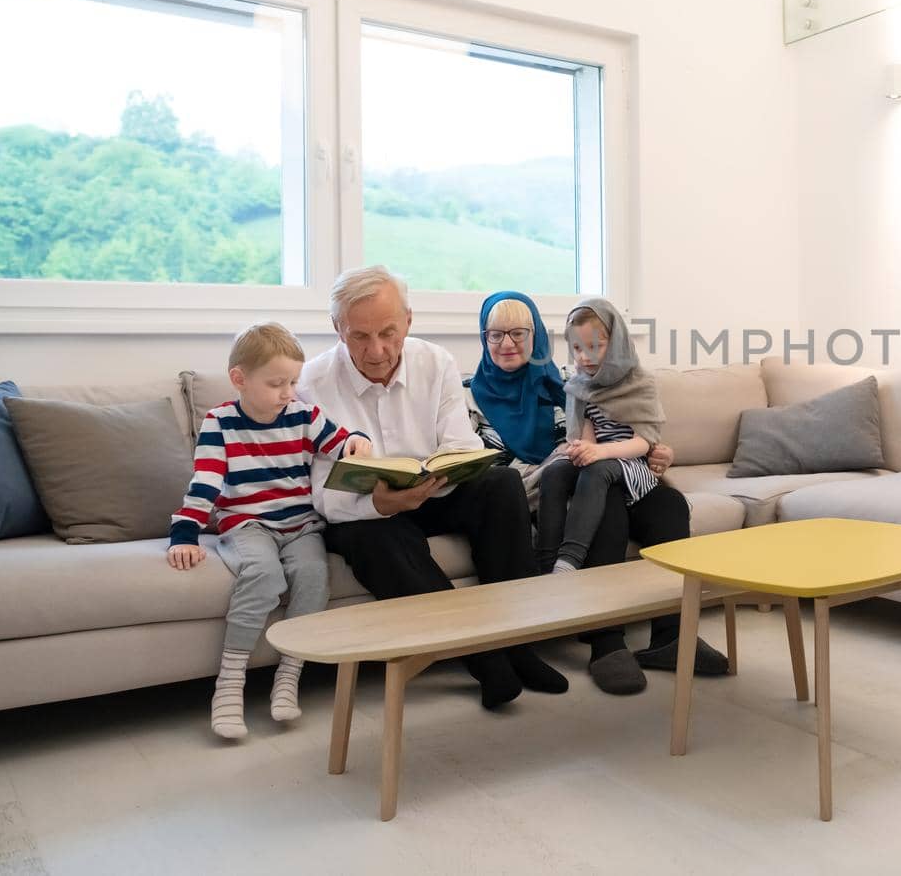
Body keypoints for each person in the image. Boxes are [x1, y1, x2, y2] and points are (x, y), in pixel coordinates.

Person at [298, 266, 567, 710]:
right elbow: (322, 493)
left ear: (408, 320)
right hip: (366, 510)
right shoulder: (312, 383)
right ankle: (485, 660)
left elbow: (462, 444)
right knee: (372, 539)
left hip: (435, 489)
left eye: (388, 332)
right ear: (337, 329)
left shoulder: (435, 361)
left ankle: (520, 643)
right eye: (359, 337)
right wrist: (379, 503)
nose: (377, 350)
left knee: (501, 483)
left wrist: (441, 471)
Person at [468, 291, 727, 695]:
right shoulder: (469, 397)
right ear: (483, 338)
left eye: (519, 332)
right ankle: (606, 642)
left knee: (670, 506)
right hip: (547, 492)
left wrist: (659, 452)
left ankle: (673, 635)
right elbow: (483, 477)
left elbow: (622, 431)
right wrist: (568, 463)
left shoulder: (565, 385)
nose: (507, 343)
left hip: (607, 473)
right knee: (605, 502)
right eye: (495, 334)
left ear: (536, 337)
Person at [167, 322, 372, 740]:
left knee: (314, 576)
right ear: (239, 378)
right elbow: (205, 482)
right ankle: (229, 683)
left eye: (293, 382)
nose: (288, 393)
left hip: (300, 525)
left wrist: (358, 442)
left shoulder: (302, 414)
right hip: (246, 523)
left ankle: (289, 676)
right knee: (264, 575)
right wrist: (185, 533)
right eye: (277, 383)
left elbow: (340, 442)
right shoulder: (218, 422)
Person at [539, 299, 665, 574]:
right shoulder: (579, 386)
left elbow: (644, 442)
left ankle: (568, 560)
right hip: (599, 462)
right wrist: (582, 449)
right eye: (577, 348)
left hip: (633, 465)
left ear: (616, 342)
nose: (584, 357)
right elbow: (587, 437)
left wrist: (600, 453)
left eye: (595, 347)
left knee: (598, 469)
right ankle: (547, 565)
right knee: (554, 472)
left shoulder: (640, 382)